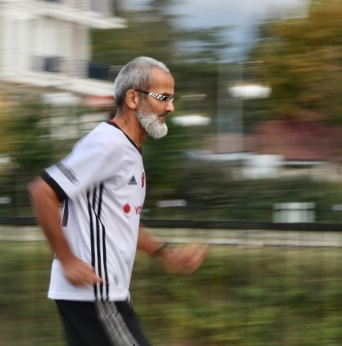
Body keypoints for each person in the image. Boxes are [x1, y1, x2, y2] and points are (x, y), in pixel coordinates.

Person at [28, 56, 208, 346]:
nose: (170, 107)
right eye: (163, 98)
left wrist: (166, 253)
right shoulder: (108, 144)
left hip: (91, 294)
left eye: (172, 99)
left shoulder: (128, 150)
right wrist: (67, 260)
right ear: (133, 98)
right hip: (96, 293)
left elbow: (123, 221)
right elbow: (42, 191)